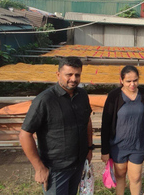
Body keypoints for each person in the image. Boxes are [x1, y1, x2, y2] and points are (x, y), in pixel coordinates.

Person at [19, 57, 93, 195]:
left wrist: (89, 148)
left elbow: (87, 121)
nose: (73, 78)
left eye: (77, 75)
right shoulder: (45, 100)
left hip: (78, 164)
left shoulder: (82, 95)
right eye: (69, 74)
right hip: (56, 169)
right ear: (58, 74)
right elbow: (25, 134)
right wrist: (39, 168)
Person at [101, 65, 144, 195]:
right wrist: (105, 150)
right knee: (120, 176)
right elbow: (106, 124)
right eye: (128, 81)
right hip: (119, 146)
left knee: (135, 177)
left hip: (138, 145)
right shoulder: (114, 96)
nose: (132, 84)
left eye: (135, 80)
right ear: (121, 80)